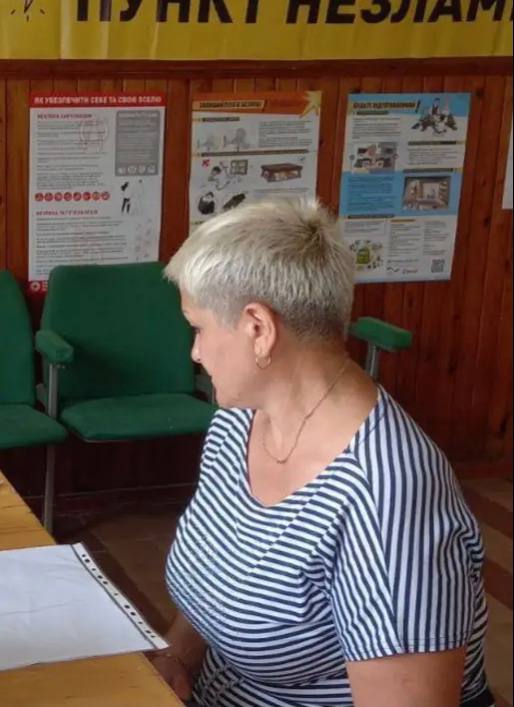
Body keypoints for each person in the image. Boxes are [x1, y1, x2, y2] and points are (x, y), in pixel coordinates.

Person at [153, 198, 491, 707]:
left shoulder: (385, 495)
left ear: (258, 328)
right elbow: (225, 575)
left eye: (198, 328)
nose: (195, 352)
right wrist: (179, 657)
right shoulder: (238, 419)